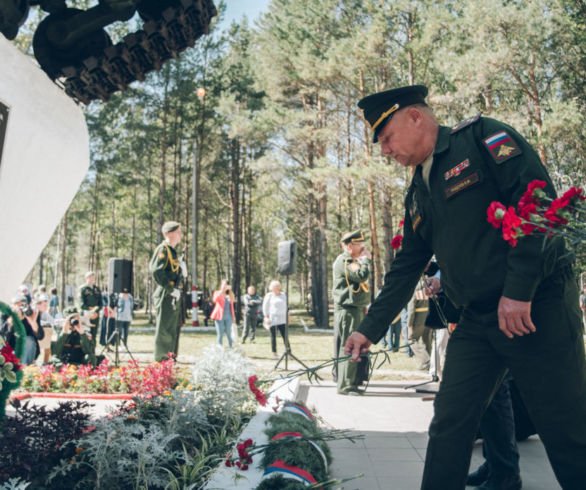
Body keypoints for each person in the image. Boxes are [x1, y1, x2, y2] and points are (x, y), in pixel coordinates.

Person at [345, 85, 586, 490]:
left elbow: (539, 205)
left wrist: (519, 290)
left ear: (415, 117)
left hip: (536, 307)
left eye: (386, 138)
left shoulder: (482, 140)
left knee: (567, 431)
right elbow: (407, 265)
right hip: (477, 321)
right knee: (449, 424)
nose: (384, 150)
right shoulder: (419, 189)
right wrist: (369, 327)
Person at [332, 230, 371, 395]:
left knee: (354, 344)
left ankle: (352, 381)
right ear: (349, 246)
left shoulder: (351, 260)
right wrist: (367, 261)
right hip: (347, 310)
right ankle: (346, 385)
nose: (362, 247)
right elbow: (361, 275)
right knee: (348, 345)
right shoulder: (345, 260)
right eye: (359, 244)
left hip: (354, 308)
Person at [149, 221, 183, 361]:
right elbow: (156, 271)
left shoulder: (172, 251)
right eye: (178, 232)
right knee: (164, 329)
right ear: (169, 233)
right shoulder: (163, 249)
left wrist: (181, 270)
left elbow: (170, 271)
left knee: (173, 328)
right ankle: (161, 361)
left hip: (172, 293)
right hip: (165, 293)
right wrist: (170, 289)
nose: (180, 235)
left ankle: (170, 359)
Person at [11, 294, 44, 365]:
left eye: (22, 305)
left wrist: (33, 323)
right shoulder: (6, 315)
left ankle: (24, 368)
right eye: (17, 305)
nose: (20, 308)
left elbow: (40, 336)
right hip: (11, 348)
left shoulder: (31, 313)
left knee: (28, 340)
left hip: (27, 349)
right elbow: (4, 336)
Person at [262, 280, 290, 359]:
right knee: (273, 336)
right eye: (275, 286)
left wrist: (288, 317)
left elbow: (287, 307)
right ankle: (274, 353)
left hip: (283, 318)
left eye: (278, 286)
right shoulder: (269, 296)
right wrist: (266, 317)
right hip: (273, 319)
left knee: (285, 336)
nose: (277, 288)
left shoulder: (283, 295)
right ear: (272, 288)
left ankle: (288, 353)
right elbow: (265, 307)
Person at [78, 271, 102, 351]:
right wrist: (90, 312)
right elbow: (81, 304)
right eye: (90, 277)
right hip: (85, 315)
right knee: (86, 334)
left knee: (94, 334)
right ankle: (85, 352)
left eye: (93, 277)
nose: (92, 279)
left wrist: (96, 312)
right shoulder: (82, 289)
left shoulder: (97, 289)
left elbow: (101, 303)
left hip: (95, 315)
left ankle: (93, 352)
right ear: (86, 278)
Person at [210, 279, 235, 348]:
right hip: (219, 316)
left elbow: (232, 304)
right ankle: (219, 349)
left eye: (226, 284)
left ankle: (231, 348)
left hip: (228, 316)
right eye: (223, 284)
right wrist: (222, 291)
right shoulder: (217, 292)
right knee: (220, 334)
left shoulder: (230, 294)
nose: (225, 286)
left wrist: (233, 317)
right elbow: (215, 300)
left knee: (228, 333)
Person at [35, 293, 54, 364]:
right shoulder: (35, 311)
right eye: (44, 305)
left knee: (49, 333)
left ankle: (46, 361)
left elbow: (52, 321)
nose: (46, 306)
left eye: (47, 305)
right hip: (34, 334)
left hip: (42, 334)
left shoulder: (44, 313)